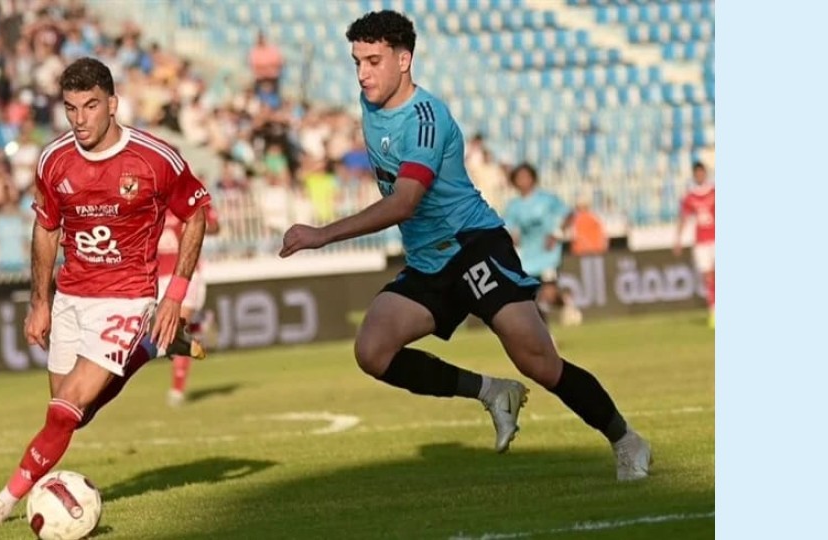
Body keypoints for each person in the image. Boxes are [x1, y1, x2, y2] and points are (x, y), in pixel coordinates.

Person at [279, 11, 651, 480]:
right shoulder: (370, 104)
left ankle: (626, 439)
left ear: (404, 60)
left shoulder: (427, 119)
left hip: (472, 245)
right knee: (372, 351)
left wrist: (322, 234)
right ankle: (492, 391)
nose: (363, 74)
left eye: (373, 61)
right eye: (357, 62)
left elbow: (404, 202)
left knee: (538, 362)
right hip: (428, 260)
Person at [0, 57, 213, 528]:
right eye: (71, 108)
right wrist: (40, 301)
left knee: (64, 414)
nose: (80, 119)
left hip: (127, 298)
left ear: (113, 104)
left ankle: (4, 500)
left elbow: (196, 213)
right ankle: (148, 348)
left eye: (90, 106)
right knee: (70, 414)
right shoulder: (53, 160)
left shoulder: (154, 158)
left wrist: (173, 296)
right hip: (71, 297)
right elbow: (46, 229)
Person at [502, 163, 583, 327]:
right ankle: (548, 331)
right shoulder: (514, 206)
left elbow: (569, 214)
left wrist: (557, 233)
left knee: (549, 294)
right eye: (519, 178)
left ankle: (563, 303)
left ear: (533, 178)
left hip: (548, 254)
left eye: (526, 177)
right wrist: (513, 239)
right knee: (532, 298)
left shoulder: (547, 199)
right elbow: (509, 228)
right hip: (528, 257)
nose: (523, 181)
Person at [157, 205, 221, 407]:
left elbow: (215, 227)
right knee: (162, 333)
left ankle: (177, 390)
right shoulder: (152, 198)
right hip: (158, 274)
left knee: (178, 329)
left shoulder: (190, 196)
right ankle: (200, 327)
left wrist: (195, 225)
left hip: (185, 273)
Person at [673, 161, 715, 329]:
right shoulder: (689, 197)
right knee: (708, 277)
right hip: (701, 241)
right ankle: (714, 310)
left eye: (701, 173)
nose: (700, 176)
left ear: (705, 173)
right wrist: (678, 239)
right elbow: (683, 218)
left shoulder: (714, 192)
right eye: (697, 173)